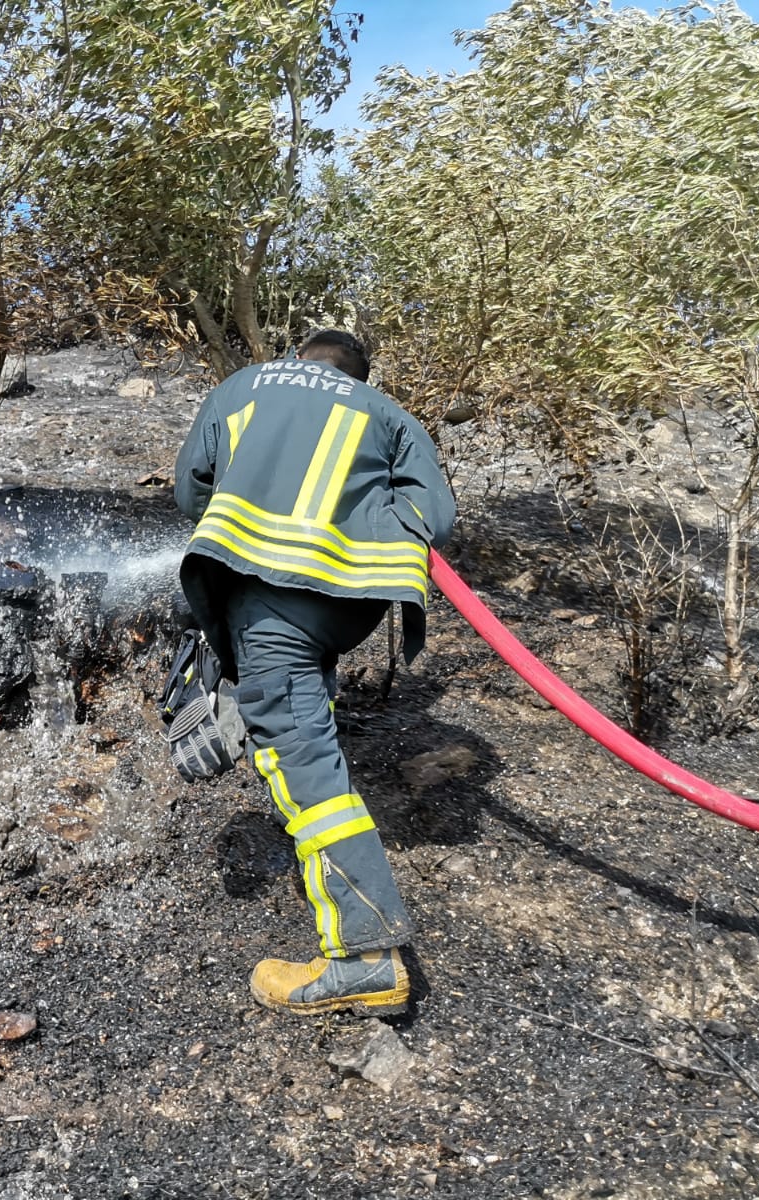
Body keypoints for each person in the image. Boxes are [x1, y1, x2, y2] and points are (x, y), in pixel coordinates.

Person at [172, 329, 456, 1016]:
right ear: (360, 374)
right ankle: (269, 705)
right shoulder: (389, 414)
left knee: (301, 756)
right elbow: (435, 519)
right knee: (300, 698)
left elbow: (192, 490)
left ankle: (363, 957)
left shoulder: (246, 385)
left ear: (299, 359)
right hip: (341, 608)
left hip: (267, 600)